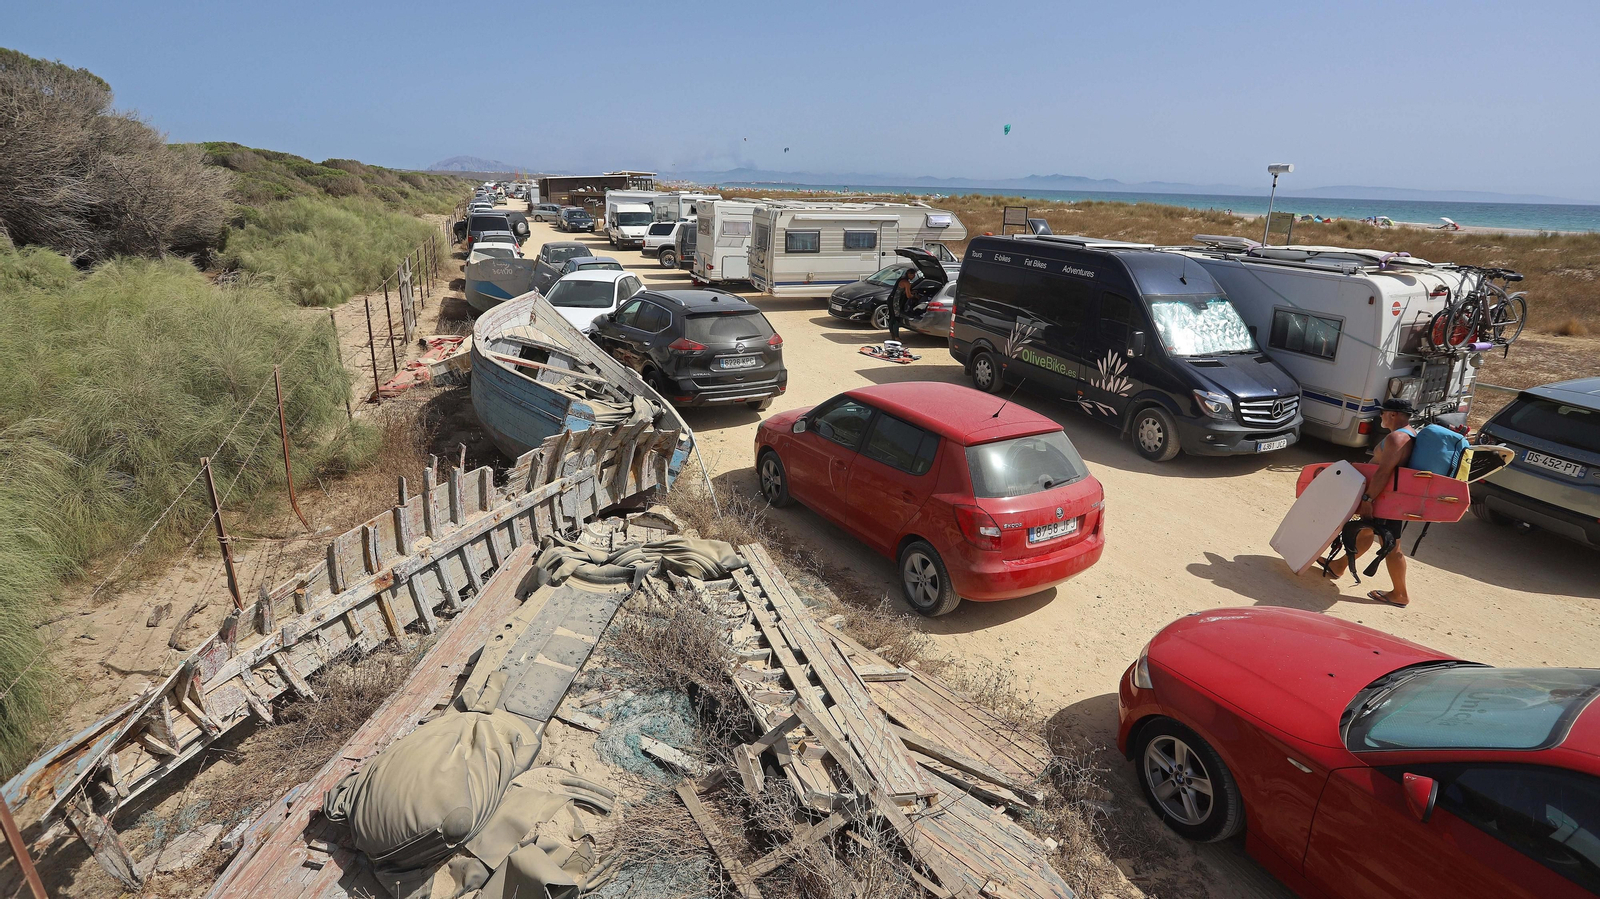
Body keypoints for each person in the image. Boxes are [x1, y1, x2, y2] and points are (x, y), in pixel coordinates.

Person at [1322, 398, 1418, 606]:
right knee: (1365, 531)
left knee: (1391, 546)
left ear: (1393, 414)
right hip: (1385, 496)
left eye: (1383, 412)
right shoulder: (1409, 434)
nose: (1380, 416)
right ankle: (1339, 566)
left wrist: (1368, 498)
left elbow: (1384, 472)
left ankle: (1400, 594)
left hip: (1383, 498)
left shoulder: (1397, 437)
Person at [885, 267, 918, 345]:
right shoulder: (906, 282)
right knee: (896, 318)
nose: (914, 277)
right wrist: (915, 296)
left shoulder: (901, 279)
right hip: (895, 302)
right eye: (913, 275)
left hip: (890, 299)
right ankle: (897, 337)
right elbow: (908, 295)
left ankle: (893, 335)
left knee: (892, 317)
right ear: (909, 274)